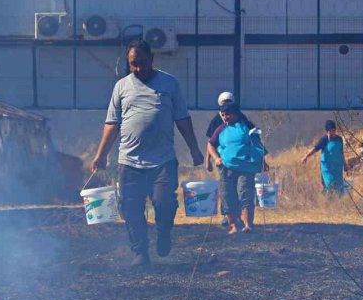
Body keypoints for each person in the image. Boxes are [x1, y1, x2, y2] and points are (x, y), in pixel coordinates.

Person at [91, 40, 205, 266]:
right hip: (129, 162)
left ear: (151, 59)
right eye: (133, 64)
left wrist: (194, 148)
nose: (138, 69)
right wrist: (101, 154)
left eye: (142, 63)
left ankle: (163, 233)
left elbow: (182, 118)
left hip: (163, 161)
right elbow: (112, 123)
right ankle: (140, 253)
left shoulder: (169, 84)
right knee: (130, 209)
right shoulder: (121, 87)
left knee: (164, 204)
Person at [207, 102, 267, 233]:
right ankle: (233, 225)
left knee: (245, 193)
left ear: (236, 114)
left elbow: (257, 145)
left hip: (246, 167)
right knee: (227, 195)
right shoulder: (221, 129)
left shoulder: (247, 127)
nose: (225, 117)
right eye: (223, 115)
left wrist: (263, 161)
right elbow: (210, 145)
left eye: (227, 114)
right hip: (226, 167)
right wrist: (216, 158)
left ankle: (248, 225)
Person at [205, 92, 251, 226]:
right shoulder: (217, 120)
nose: (226, 116)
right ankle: (228, 217)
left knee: (241, 190)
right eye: (223, 102)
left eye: (228, 101)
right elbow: (210, 141)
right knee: (226, 190)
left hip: (242, 162)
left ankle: (242, 219)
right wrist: (209, 159)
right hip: (224, 162)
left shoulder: (242, 119)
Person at [301, 119, 348, 194]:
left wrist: (345, 165)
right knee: (329, 185)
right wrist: (306, 156)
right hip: (327, 168)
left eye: (333, 130)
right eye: (329, 131)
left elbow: (341, 152)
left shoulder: (339, 139)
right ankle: (327, 200)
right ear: (327, 131)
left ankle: (338, 202)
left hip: (338, 167)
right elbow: (315, 148)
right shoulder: (324, 139)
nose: (332, 132)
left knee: (339, 186)